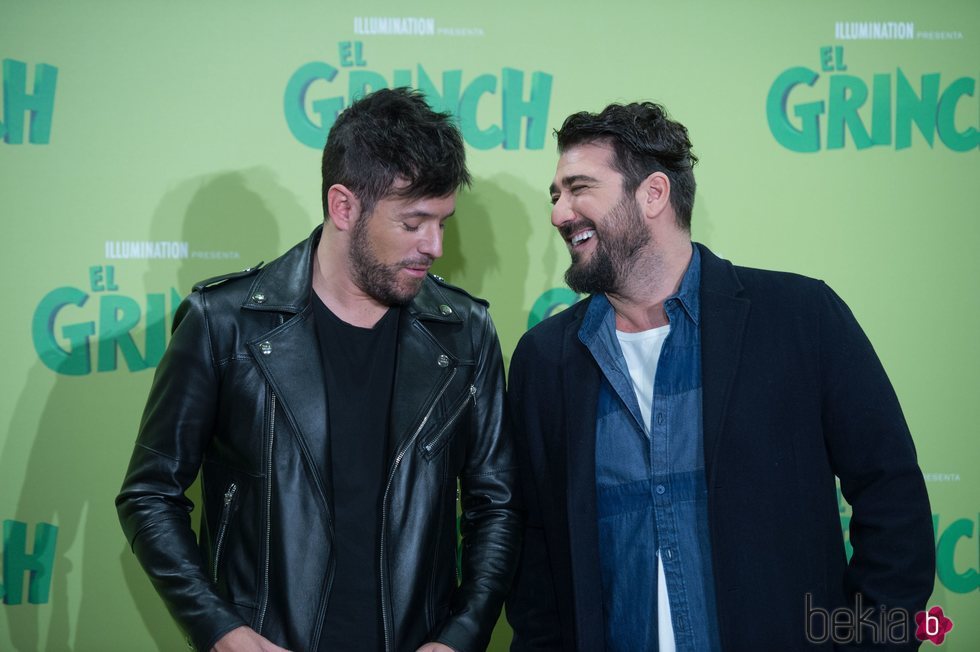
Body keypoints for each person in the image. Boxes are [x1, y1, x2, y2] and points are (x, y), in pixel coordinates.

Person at [505, 102, 935, 650]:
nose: (559, 213)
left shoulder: (800, 318)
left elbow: (891, 498)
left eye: (578, 188)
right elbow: (536, 554)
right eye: (555, 194)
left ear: (653, 194)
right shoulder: (546, 359)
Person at [117, 88, 520, 652]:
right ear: (344, 206)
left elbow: (496, 505)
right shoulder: (224, 323)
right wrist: (220, 630)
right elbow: (149, 494)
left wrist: (462, 634)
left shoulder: (466, 332)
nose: (434, 245)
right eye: (413, 223)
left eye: (443, 223)